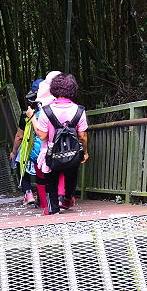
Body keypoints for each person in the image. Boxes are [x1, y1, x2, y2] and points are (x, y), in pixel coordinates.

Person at [33, 73, 89, 215]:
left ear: (54, 89)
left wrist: (33, 119)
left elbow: (42, 135)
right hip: (73, 153)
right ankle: (68, 198)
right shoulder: (79, 110)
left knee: (51, 181)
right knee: (71, 177)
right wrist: (85, 152)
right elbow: (82, 135)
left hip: (51, 153)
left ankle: (53, 208)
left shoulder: (46, 111)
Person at [9, 79, 44, 207]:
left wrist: (13, 152)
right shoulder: (52, 110)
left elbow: (19, 136)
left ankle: (28, 193)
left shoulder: (26, 113)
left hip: (30, 147)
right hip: (48, 147)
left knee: (19, 161)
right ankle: (43, 198)